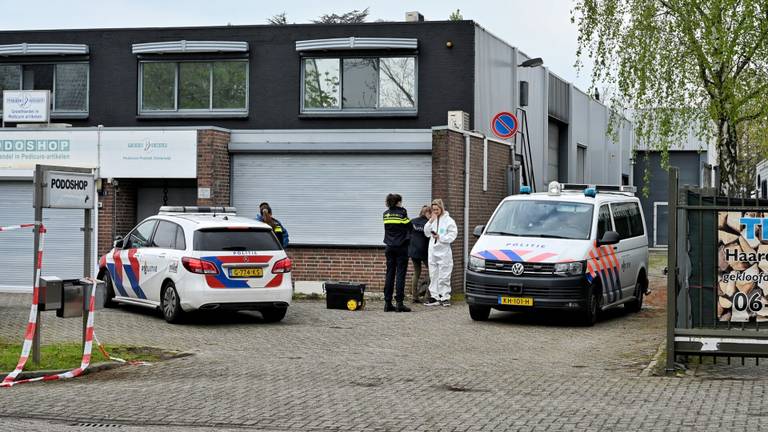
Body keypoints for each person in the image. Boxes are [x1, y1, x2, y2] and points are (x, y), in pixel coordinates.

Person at [423, 199, 457, 307]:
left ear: (441, 208)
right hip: (433, 251)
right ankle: (435, 297)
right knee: (433, 275)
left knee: (444, 275)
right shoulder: (433, 220)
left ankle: (445, 297)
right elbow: (426, 233)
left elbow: (453, 235)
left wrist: (440, 237)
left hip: (444, 252)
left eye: (437, 209)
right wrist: (430, 221)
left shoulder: (449, 221)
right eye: (433, 209)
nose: (435, 211)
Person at [382, 193, 412, 313]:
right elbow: (409, 226)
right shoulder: (402, 213)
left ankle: (387, 303)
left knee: (389, 274)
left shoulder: (385, 214)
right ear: (398, 202)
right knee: (400, 275)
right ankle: (399, 303)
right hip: (401, 247)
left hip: (389, 247)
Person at [408, 205, 431, 303]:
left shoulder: (412, 221)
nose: (431, 216)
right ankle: (427, 295)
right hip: (424, 252)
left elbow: (408, 234)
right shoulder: (428, 224)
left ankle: (414, 297)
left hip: (413, 251)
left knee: (417, 272)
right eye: (430, 213)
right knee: (432, 272)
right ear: (426, 213)